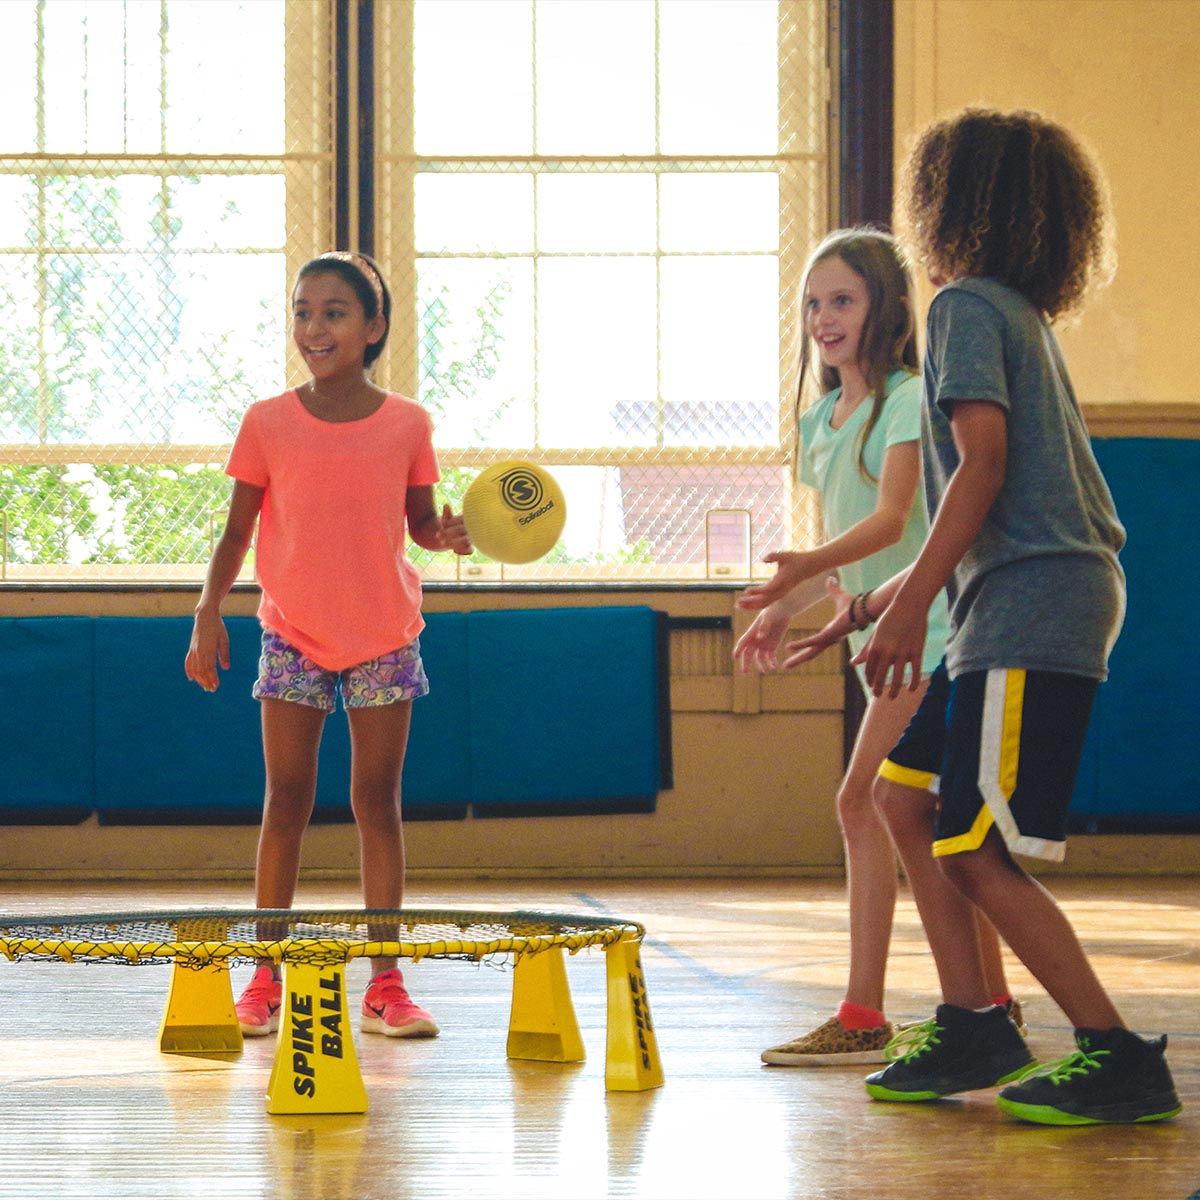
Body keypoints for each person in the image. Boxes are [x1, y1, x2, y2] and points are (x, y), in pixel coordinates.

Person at [790, 109, 1181, 1125]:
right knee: (901, 800)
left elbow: (985, 469)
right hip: (1002, 604)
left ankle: (1116, 1053)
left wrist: (906, 608)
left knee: (970, 846)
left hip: (1033, 605)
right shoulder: (1010, 311)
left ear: (947, 203)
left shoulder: (965, 305)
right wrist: (873, 603)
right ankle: (975, 1020)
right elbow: (986, 499)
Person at [734, 228, 1018, 1067]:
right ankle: (989, 1005)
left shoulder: (907, 397)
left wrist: (812, 577)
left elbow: (894, 520)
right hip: (880, 637)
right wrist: (784, 604)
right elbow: (837, 539)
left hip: (931, 632)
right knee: (914, 820)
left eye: (843, 300)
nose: (824, 316)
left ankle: (870, 1013)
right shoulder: (823, 417)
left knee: (865, 803)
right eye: (814, 303)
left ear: (885, 308)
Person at [184, 250, 472, 1041]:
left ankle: (385, 982)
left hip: (383, 636)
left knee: (377, 803)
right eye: (303, 311)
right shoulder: (267, 422)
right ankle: (264, 978)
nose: (315, 327)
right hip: (293, 635)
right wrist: (208, 610)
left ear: (373, 326)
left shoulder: (409, 422)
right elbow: (237, 531)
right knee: (286, 802)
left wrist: (441, 533)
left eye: (335, 312)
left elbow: (417, 523)